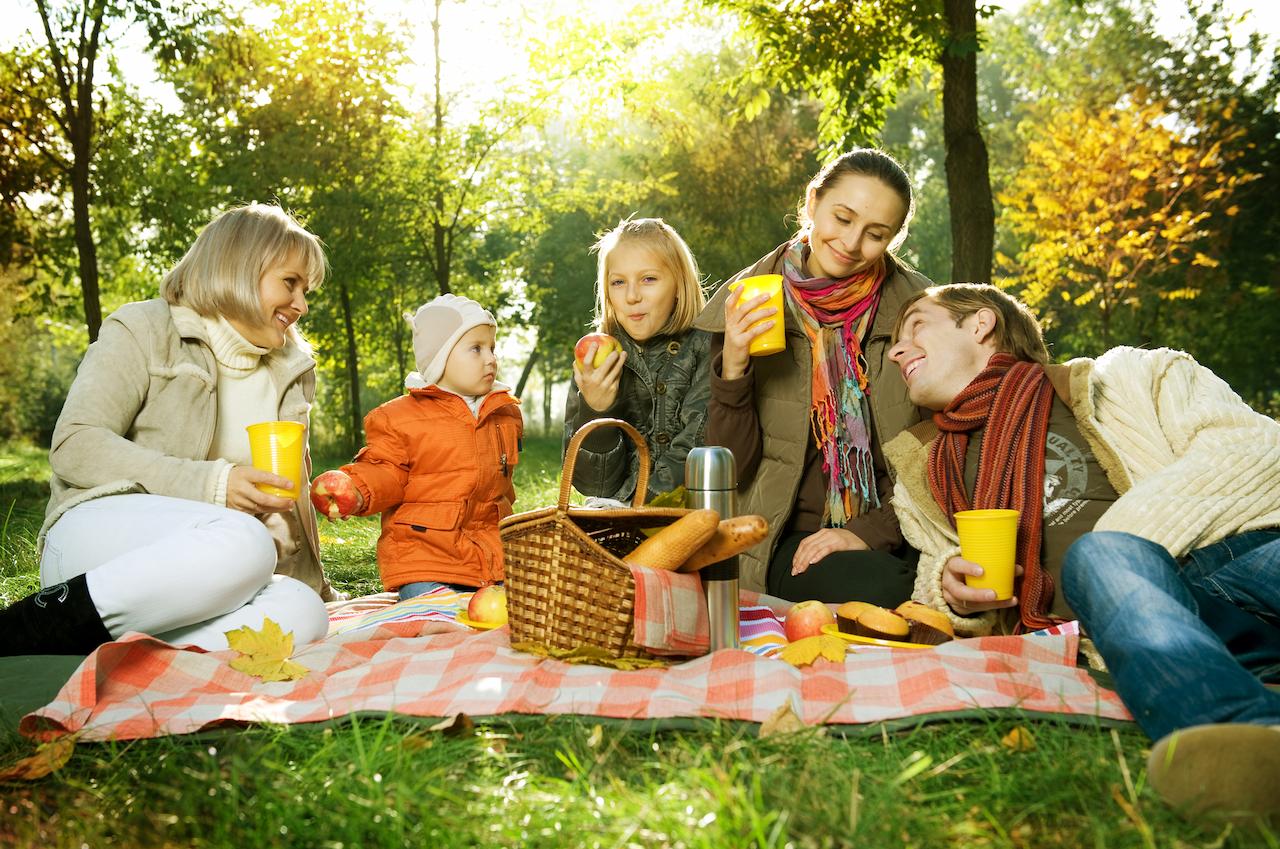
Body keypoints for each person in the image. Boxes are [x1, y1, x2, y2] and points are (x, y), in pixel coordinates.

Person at [883, 282, 1280, 823]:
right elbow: (935, 571)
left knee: (1103, 556)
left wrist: (1127, 543)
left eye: (916, 327)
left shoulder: (1131, 377)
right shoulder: (923, 475)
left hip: (1240, 560)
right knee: (1102, 563)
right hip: (1148, 633)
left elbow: (1251, 448)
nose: (895, 350)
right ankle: (1247, 738)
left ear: (979, 324)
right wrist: (951, 591)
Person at [0, 203, 335, 656]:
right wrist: (213, 484)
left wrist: (314, 585)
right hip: (98, 543)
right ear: (237, 268)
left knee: (303, 613)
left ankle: (97, 648)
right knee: (246, 541)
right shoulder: (142, 328)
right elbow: (75, 444)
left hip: (209, 567)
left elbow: (285, 494)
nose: (301, 304)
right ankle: (27, 626)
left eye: (306, 290)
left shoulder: (290, 369)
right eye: (290, 283)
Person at [693, 149, 932, 604]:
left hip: (900, 526)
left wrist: (868, 531)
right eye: (842, 218)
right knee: (889, 588)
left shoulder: (921, 312)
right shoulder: (748, 302)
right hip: (784, 535)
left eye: (875, 234)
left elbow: (942, 446)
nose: (851, 242)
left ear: (892, 240)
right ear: (812, 202)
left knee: (935, 586)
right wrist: (735, 366)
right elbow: (733, 469)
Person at [311, 294, 522, 601]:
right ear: (440, 358)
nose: (490, 358)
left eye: (492, 347)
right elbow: (384, 469)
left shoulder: (504, 414)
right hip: (426, 558)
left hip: (490, 557)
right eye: (476, 348)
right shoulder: (400, 418)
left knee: (513, 612)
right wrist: (355, 489)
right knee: (432, 612)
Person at [563, 217, 710, 502]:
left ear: (679, 284)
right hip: (615, 517)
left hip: (685, 514)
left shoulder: (706, 346)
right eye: (618, 282)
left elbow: (696, 447)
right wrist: (596, 410)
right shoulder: (596, 360)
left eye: (648, 279)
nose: (632, 296)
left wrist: (635, 510)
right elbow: (594, 486)